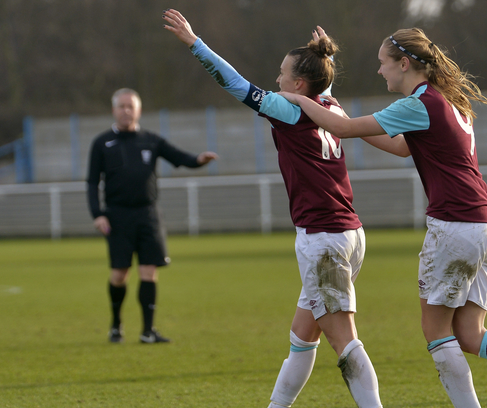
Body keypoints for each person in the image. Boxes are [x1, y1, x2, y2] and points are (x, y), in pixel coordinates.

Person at [279, 28, 487, 408]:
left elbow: (342, 128)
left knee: (437, 333)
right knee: (470, 334)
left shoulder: (420, 103)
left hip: (453, 225)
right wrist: (326, 99)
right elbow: (398, 148)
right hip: (484, 226)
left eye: (383, 64)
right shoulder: (450, 101)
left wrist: (296, 96)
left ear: (404, 64)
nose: (381, 72)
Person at [163, 9, 391, 408]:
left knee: (344, 339)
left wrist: (195, 44)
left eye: (283, 73)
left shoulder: (293, 108)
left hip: (323, 238)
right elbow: (321, 84)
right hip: (348, 234)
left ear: (299, 83)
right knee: (302, 338)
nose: (277, 79)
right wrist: (326, 58)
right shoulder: (331, 107)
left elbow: (234, 84)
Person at [86, 88, 218, 344]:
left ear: (139, 110)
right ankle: (116, 325)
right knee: (119, 274)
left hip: (148, 215)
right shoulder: (102, 143)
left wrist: (199, 160)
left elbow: (179, 157)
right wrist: (98, 214)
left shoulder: (151, 140)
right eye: (122, 106)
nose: (126, 111)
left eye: (130, 106)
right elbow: (92, 182)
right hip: (117, 216)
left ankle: (148, 331)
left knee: (149, 271)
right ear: (114, 110)